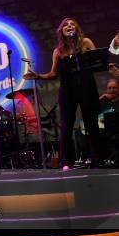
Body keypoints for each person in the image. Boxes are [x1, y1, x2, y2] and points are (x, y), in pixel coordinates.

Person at [24, 17, 100, 168]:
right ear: (61, 31)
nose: (69, 26)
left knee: (92, 124)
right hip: (68, 90)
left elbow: (98, 61)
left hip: (87, 87)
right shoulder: (58, 51)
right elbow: (53, 74)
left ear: (77, 29)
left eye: (72, 24)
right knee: (66, 127)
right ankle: (67, 162)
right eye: (66, 24)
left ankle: (98, 159)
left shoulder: (86, 42)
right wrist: (38, 76)